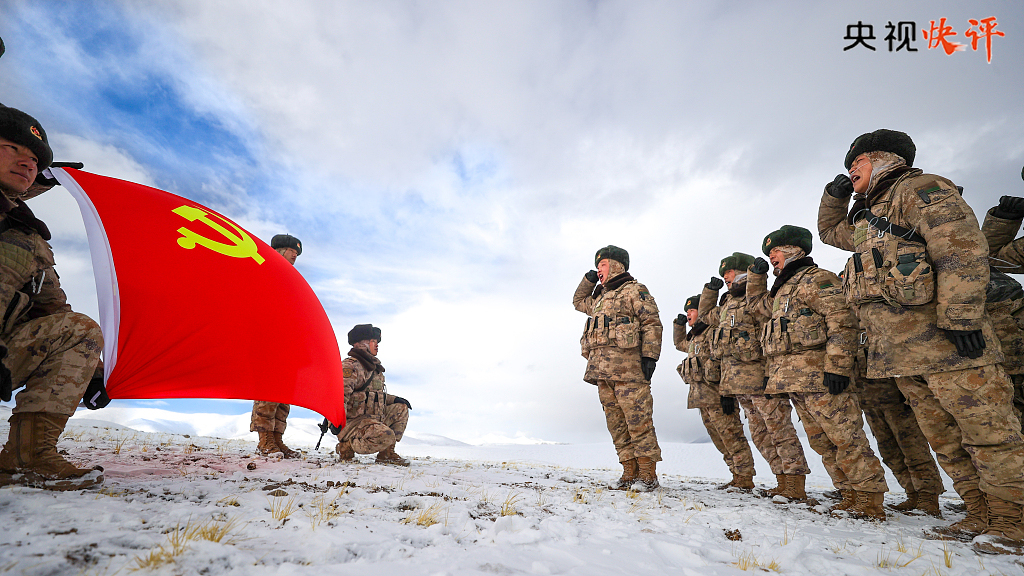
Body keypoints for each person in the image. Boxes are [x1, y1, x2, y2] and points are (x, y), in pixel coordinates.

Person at [818, 129, 1024, 552]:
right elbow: (827, 233)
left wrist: (962, 316)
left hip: (950, 344)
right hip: (901, 352)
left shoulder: (921, 190)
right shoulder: (865, 218)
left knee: (990, 434)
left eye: (854, 164)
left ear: (880, 159)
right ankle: (979, 513)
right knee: (946, 440)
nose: (849, 171)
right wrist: (834, 196)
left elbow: (961, 249)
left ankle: (1013, 520)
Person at [747, 225, 889, 520]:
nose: (771, 257)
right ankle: (849, 494)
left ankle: (870, 500)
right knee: (823, 443)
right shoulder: (783, 289)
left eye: (775, 251)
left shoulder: (817, 280)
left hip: (822, 378)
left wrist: (837, 367)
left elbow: (843, 321)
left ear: (793, 250)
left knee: (846, 438)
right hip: (796, 381)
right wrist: (756, 279)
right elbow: (756, 308)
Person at [0, 105, 104, 490]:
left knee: (80, 331)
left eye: (35, 160)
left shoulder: (27, 235)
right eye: (13, 148)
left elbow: (53, 308)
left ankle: (26, 455)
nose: (26, 163)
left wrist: (93, 372)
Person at [701, 252, 810, 497]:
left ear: (742, 271)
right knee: (761, 436)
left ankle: (795, 483)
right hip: (739, 384)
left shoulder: (757, 302)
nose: (726, 278)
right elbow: (707, 317)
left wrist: (769, 374)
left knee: (780, 432)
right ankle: (782, 480)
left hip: (762, 379)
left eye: (728, 273)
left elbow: (770, 333)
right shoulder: (727, 304)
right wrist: (709, 292)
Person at [574, 245, 663, 491]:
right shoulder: (600, 298)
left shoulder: (634, 290)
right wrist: (588, 280)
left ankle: (647, 475)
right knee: (617, 425)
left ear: (616, 265)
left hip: (630, 371)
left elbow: (651, 322)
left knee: (639, 422)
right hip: (602, 373)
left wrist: (650, 356)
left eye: (601, 265)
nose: (598, 270)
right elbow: (578, 301)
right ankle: (629, 473)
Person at [852, 313, 944, 517]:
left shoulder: (880, 315)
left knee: (913, 449)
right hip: (868, 398)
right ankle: (912, 494)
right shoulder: (850, 322)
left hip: (896, 397)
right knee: (889, 452)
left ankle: (928, 498)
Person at [674, 294, 757, 490]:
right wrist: (678, 327)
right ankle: (736, 476)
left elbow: (723, 362)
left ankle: (745, 477)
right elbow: (680, 345)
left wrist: (726, 394)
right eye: (687, 312)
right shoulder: (695, 337)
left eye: (692, 311)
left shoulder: (714, 333)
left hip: (718, 396)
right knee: (720, 441)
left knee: (732, 437)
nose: (688, 315)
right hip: (701, 397)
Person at [249, 233, 304, 458]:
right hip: (268, 339)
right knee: (268, 390)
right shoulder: (263, 270)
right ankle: (265, 439)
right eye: (292, 251)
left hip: (287, 341)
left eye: (297, 253)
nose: (295, 256)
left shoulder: (291, 278)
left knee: (284, 393)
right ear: (280, 249)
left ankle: (277, 439)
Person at [335, 323, 411, 466]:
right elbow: (340, 396)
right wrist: (337, 421)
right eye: (373, 341)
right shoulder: (350, 366)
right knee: (386, 435)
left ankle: (386, 454)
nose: (376, 345)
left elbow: (374, 395)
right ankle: (346, 446)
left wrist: (395, 400)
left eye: (376, 342)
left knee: (401, 408)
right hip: (353, 424)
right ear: (360, 344)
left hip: (372, 420)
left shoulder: (374, 368)